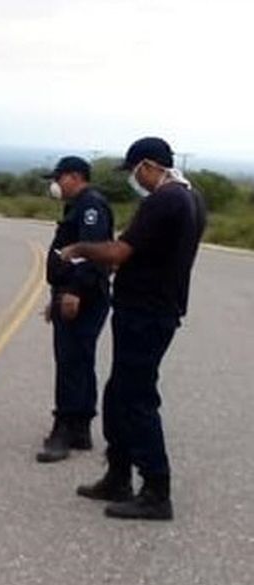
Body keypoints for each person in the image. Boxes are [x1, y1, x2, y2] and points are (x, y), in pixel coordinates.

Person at [61, 137, 206, 520]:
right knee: (118, 393)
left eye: (135, 172)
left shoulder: (165, 200)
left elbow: (120, 252)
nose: (135, 180)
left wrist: (78, 249)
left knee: (137, 398)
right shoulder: (192, 198)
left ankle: (157, 490)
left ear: (148, 165)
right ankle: (118, 473)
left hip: (147, 312)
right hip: (153, 309)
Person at [37, 157, 114, 463]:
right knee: (80, 360)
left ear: (75, 177)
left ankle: (65, 428)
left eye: (58, 178)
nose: (55, 184)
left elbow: (89, 254)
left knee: (70, 360)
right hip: (77, 294)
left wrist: (71, 292)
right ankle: (81, 426)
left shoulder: (90, 206)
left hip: (83, 296)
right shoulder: (79, 206)